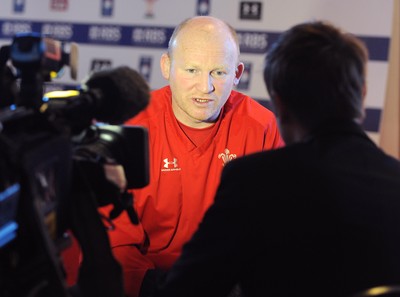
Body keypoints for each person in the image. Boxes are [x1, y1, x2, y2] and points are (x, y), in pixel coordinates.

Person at [151, 20, 400, 297]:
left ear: (278, 103)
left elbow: (191, 286)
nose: (206, 86)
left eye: (217, 72)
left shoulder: (255, 179)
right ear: (363, 94)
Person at [98, 15, 284, 297]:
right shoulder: (132, 127)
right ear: (167, 67)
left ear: (237, 73)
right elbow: (113, 240)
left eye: (219, 72)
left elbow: (275, 231)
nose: (205, 87)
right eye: (192, 70)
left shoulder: (262, 127)